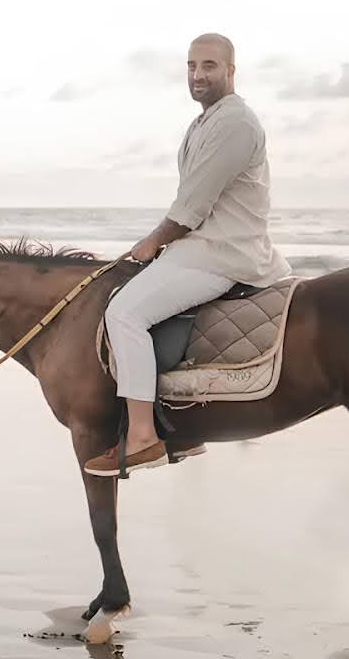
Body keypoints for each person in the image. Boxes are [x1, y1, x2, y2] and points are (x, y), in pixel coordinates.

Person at [83, 33, 291, 476]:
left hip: (218, 253)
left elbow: (192, 207)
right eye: (192, 66)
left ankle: (142, 437)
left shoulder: (234, 122)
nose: (198, 75)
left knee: (123, 313)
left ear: (232, 71)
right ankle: (183, 428)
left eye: (210, 66)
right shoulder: (205, 122)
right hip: (207, 247)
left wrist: (153, 241)